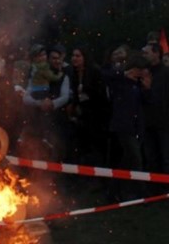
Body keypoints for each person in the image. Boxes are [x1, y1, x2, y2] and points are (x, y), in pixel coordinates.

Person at [104, 53, 152, 200]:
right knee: (136, 159)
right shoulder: (120, 82)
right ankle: (141, 193)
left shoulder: (137, 85)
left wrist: (146, 88)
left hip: (136, 127)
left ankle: (114, 191)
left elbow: (145, 103)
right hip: (123, 127)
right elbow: (106, 75)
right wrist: (123, 74)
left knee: (126, 161)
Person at [67, 46, 109, 165]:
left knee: (96, 149)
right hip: (82, 117)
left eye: (78, 56)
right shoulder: (73, 73)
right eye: (73, 55)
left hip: (96, 117)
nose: (74, 58)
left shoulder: (95, 72)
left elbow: (101, 95)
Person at [141, 43, 169, 174]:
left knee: (165, 158)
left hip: (164, 123)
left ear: (156, 53)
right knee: (151, 158)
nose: (144, 55)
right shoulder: (144, 73)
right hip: (148, 122)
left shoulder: (166, 73)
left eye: (147, 53)